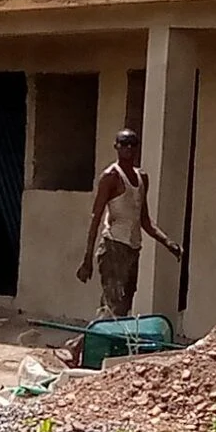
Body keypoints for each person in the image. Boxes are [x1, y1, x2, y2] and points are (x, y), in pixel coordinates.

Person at [77, 125, 183, 323]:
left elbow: (144, 219)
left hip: (133, 248)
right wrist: (87, 258)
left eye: (133, 144)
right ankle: (80, 346)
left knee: (123, 306)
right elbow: (96, 217)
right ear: (116, 146)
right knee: (113, 306)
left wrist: (168, 242)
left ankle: (87, 346)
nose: (129, 148)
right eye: (124, 144)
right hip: (113, 246)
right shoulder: (110, 177)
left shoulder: (142, 178)